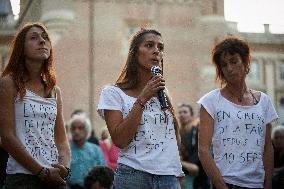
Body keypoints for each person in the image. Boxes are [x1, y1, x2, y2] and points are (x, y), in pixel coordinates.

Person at [97, 29, 183, 189]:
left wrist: (177, 175)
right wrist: (142, 99)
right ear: (134, 53)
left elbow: (174, 138)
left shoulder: (163, 93)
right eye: (149, 45)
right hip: (134, 176)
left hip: (168, 178)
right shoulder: (113, 93)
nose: (156, 51)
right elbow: (120, 140)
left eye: (160, 47)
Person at [197, 36, 278, 189]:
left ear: (245, 62)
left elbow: (267, 147)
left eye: (234, 61)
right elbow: (203, 150)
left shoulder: (264, 101)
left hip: (257, 184)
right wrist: (221, 186)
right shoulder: (210, 101)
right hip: (227, 183)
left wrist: (268, 184)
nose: (229, 68)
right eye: (224, 64)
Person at [0, 22, 71, 189]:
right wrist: (41, 172)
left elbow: (61, 140)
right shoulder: (8, 84)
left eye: (45, 38)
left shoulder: (54, 90)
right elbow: (7, 138)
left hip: (54, 178)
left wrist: (64, 168)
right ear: (21, 49)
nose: (42, 41)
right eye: (34, 38)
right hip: (22, 178)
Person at [67, 114, 105, 189]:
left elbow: (103, 172)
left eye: (80, 128)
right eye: (74, 128)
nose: (76, 131)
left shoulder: (96, 150)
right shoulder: (66, 150)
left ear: (87, 130)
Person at [178, 103, 210, 189]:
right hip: (184, 175)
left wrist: (176, 161)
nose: (182, 114)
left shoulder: (197, 133)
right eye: (180, 112)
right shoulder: (178, 135)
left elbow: (195, 168)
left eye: (185, 112)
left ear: (191, 115)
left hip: (200, 178)